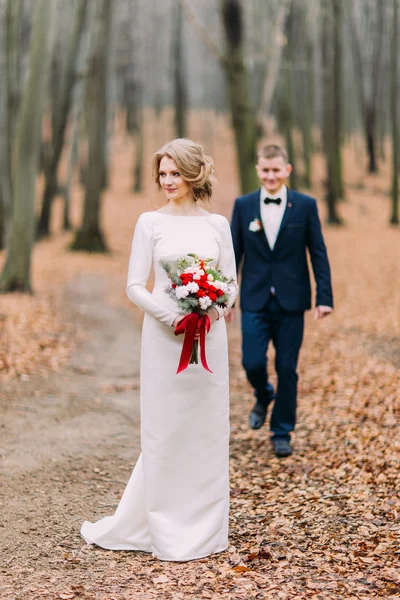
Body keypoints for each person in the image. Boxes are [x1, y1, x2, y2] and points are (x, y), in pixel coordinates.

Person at [81, 138, 238, 562]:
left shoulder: (217, 225)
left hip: (209, 337)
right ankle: (163, 525)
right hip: (164, 337)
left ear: (193, 175)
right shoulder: (150, 222)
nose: (168, 181)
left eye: (175, 173)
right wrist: (172, 317)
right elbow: (134, 285)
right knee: (165, 429)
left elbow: (231, 282)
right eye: (163, 174)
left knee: (206, 429)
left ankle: (207, 529)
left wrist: (214, 305)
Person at [227, 144, 333, 458]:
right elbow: (234, 254)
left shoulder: (305, 205)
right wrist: (226, 300)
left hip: (292, 301)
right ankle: (263, 393)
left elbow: (318, 253)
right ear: (258, 170)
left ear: (287, 170)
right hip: (254, 299)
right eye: (265, 170)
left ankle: (282, 431)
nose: (270, 176)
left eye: (276, 170)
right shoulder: (243, 205)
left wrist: (323, 297)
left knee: (287, 367)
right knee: (252, 362)